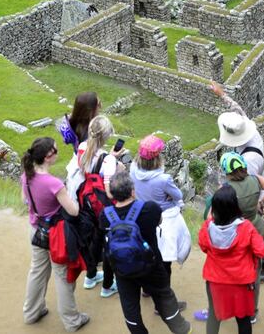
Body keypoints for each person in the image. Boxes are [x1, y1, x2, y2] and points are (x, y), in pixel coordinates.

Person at [198, 152, 264, 326]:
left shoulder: (226, 190)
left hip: (234, 235)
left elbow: (210, 221)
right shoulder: (255, 180)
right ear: (243, 165)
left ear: (225, 170)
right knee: (255, 272)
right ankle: (252, 312)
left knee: (230, 272)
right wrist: (262, 201)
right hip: (255, 230)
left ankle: (220, 309)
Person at [101, 172, 191, 334]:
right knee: (164, 298)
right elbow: (160, 222)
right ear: (133, 191)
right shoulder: (150, 209)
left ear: (112, 195)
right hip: (152, 267)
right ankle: (182, 329)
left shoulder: (105, 215)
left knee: (130, 309)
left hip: (122, 270)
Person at [211, 81, 264, 282]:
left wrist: (258, 202)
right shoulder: (250, 132)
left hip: (251, 198)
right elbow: (238, 111)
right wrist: (221, 94)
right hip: (254, 191)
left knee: (249, 231)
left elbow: (245, 184)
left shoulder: (248, 162)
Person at [21, 137, 90, 332]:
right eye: (56, 151)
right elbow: (74, 210)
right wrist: (69, 192)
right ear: (48, 157)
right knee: (62, 274)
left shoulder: (26, 175)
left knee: (37, 271)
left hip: (35, 229)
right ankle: (72, 320)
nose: (58, 154)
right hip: (56, 235)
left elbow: (25, 200)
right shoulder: (54, 183)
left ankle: (31, 312)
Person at [199, 186, 264, 334]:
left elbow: (204, 247)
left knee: (214, 314)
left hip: (215, 281)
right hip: (241, 282)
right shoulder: (246, 227)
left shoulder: (207, 227)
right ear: (235, 205)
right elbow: (261, 251)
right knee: (243, 318)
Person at [130, 135, 190, 282]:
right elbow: (178, 195)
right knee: (164, 259)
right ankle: (165, 299)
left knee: (147, 252)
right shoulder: (163, 179)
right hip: (164, 219)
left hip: (143, 216)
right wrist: (168, 195)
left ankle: (147, 289)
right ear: (157, 158)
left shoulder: (133, 170)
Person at [78, 115, 123, 297]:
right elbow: (108, 190)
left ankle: (90, 276)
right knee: (107, 242)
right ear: (106, 136)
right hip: (103, 207)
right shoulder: (108, 161)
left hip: (86, 200)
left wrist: (109, 157)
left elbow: (86, 169)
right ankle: (107, 285)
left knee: (94, 239)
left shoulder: (82, 148)